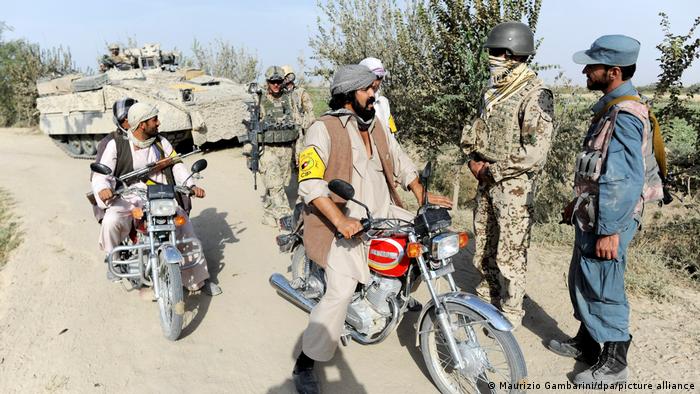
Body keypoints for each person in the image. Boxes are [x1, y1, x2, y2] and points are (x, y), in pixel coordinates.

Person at [291, 64, 451, 393]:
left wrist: (421, 194)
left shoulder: (375, 123)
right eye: (367, 89)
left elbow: (399, 158)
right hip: (343, 221)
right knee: (341, 291)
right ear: (350, 94)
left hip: (383, 212)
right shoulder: (323, 128)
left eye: (373, 88)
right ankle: (307, 360)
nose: (373, 93)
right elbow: (309, 183)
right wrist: (340, 220)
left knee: (427, 240)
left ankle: (396, 294)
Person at [548, 35, 663, 385]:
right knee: (585, 276)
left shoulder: (626, 114)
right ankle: (587, 344)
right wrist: (577, 202)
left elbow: (625, 180)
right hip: (595, 212)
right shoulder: (611, 108)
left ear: (613, 72)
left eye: (592, 66)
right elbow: (597, 168)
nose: (584, 70)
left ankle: (616, 361)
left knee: (603, 283)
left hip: (610, 217)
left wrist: (610, 230)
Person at [459, 22, 554, 328]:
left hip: (513, 187)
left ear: (515, 54)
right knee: (484, 246)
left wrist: (495, 170)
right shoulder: (491, 91)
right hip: (486, 182)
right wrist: (473, 160)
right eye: (492, 51)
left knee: (511, 255)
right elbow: (476, 130)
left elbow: (536, 151)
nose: (493, 58)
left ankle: (510, 314)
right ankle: (487, 302)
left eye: (498, 52)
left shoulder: (535, 94)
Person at [91, 102, 221, 296]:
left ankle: (198, 280)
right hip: (129, 195)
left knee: (184, 226)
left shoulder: (161, 142)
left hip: (160, 193)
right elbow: (102, 174)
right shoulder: (116, 143)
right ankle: (115, 259)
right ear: (142, 124)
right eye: (154, 120)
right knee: (111, 220)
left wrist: (191, 185)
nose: (158, 123)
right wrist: (103, 189)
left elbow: (177, 166)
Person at [257, 66, 302, 227]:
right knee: (275, 184)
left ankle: (269, 213)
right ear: (267, 82)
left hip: (286, 149)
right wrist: (251, 152)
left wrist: (299, 151)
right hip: (267, 149)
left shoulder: (289, 99)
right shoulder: (259, 99)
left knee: (278, 185)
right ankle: (286, 220)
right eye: (272, 82)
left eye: (278, 81)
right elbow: (250, 127)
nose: (276, 85)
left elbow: (298, 124)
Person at [358, 57, 397, 134]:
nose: (375, 82)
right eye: (372, 77)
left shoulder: (384, 102)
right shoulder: (356, 102)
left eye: (379, 77)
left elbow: (391, 130)